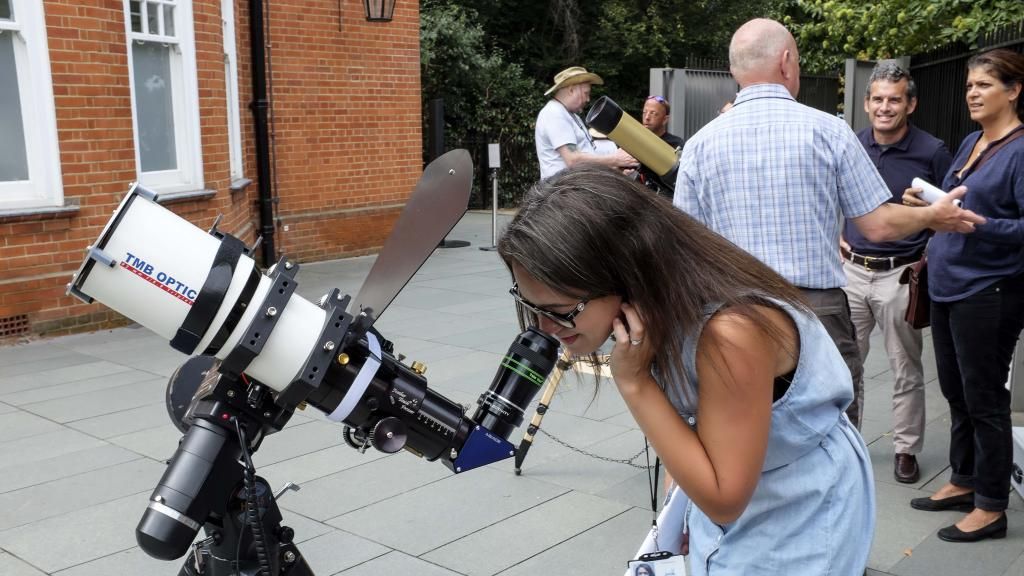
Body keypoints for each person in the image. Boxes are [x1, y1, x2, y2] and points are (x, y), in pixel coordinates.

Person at [499, 164, 875, 575]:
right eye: (531, 307)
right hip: (745, 482)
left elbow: (725, 498)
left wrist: (635, 382)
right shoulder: (663, 305)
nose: (545, 329)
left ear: (627, 274)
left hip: (800, 503)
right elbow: (697, 439)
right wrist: (683, 502)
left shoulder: (730, 333)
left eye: (560, 311)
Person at [673, 18, 982, 429]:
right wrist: (932, 215)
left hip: (732, 309)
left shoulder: (699, 145)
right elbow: (877, 225)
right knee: (829, 431)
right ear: (786, 62)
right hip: (814, 310)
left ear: (734, 71)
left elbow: (687, 248)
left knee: (740, 426)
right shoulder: (830, 131)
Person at [905, 48, 1024, 543]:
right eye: (970, 85)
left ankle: (992, 506)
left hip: (989, 291)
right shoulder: (972, 140)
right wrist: (925, 203)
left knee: (985, 398)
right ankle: (963, 479)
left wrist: (979, 225)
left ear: (1014, 91)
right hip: (950, 287)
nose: (972, 93)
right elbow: (953, 197)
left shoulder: (1020, 151)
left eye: (984, 85)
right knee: (956, 392)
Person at [841, 62, 952, 483]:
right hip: (851, 273)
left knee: (905, 367)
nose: (886, 107)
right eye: (879, 99)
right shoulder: (850, 144)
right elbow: (831, 193)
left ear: (911, 103)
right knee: (844, 366)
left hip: (901, 274)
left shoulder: (933, 151)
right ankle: (845, 445)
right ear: (867, 103)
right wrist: (835, 234)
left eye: (895, 99)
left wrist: (926, 245)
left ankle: (906, 448)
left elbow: (951, 212)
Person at [535, 66, 636, 179]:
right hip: (564, 193)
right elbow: (573, 160)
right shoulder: (555, 113)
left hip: (573, 190)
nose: (588, 99)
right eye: (586, 93)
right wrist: (615, 159)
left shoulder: (570, 115)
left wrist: (616, 171)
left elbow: (587, 155)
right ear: (571, 90)